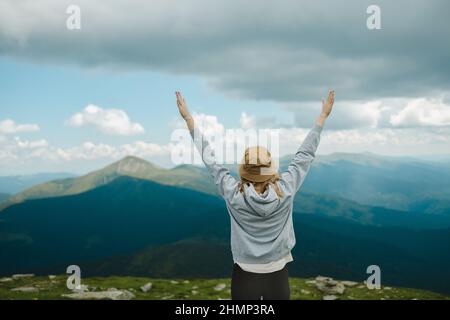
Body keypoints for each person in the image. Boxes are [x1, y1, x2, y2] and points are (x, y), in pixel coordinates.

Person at [175, 90, 335, 300]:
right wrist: (322, 117)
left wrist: (188, 119)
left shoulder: (233, 193)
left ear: (244, 170)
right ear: (270, 169)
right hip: (278, 273)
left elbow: (210, 160)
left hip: (244, 274)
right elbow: (305, 155)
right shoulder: (286, 189)